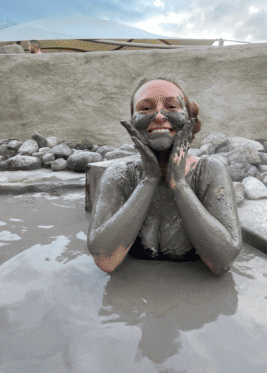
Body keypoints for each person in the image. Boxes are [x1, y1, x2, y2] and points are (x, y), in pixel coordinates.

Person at [87, 77, 242, 275]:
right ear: (133, 122)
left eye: (171, 106)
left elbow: (223, 261)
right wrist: (149, 180)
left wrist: (179, 184)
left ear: (189, 118)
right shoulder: (120, 175)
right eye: (145, 108)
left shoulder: (209, 171)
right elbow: (104, 260)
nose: (159, 116)